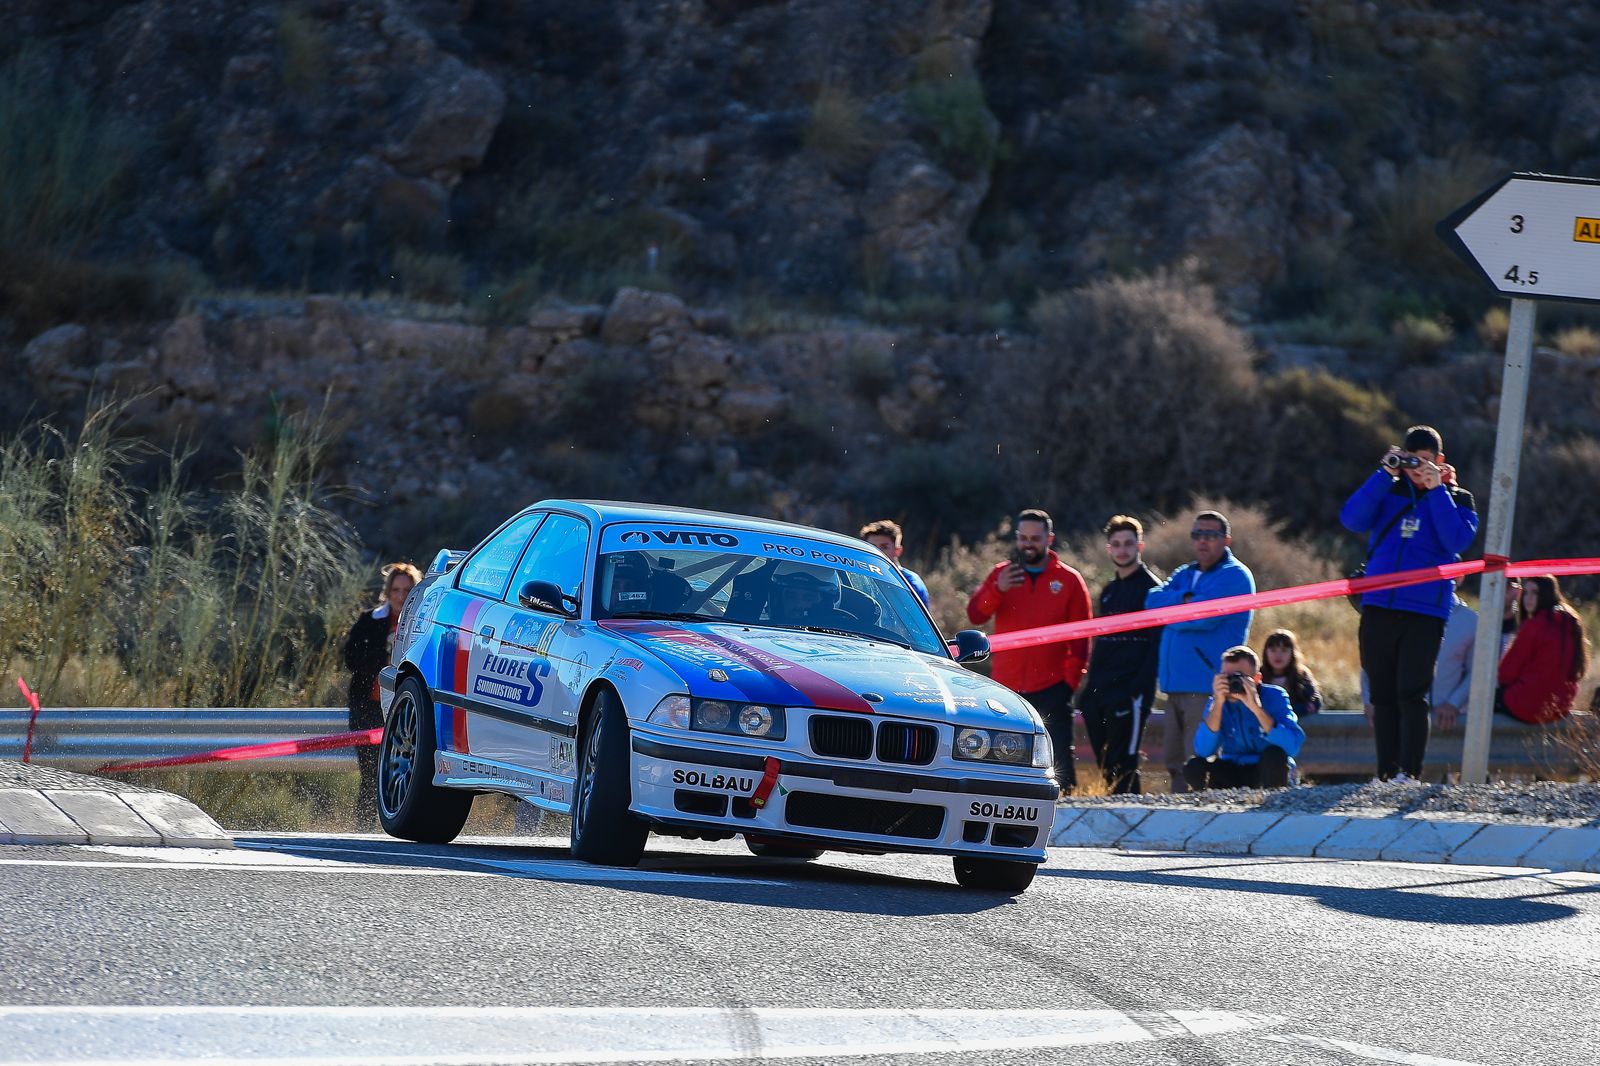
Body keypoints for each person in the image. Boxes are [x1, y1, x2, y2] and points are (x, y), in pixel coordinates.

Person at [1341, 425, 1478, 782]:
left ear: (1441, 461)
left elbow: (1456, 539)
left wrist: (1437, 492)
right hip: (1378, 606)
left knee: (1412, 693)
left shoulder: (1458, 499)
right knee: (1382, 694)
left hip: (1424, 611)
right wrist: (1383, 472)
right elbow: (1352, 518)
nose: (1420, 469)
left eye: (1427, 462)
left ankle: (1409, 773)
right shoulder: (1390, 491)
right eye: (1414, 461)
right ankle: (1386, 772)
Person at [967, 508, 1092, 791]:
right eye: (1023, 538)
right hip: (1006, 687)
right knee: (999, 757)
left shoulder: (1070, 580)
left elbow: (1082, 637)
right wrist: (997, 589)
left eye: (1035, 538)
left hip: (1052, 687)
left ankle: (1066, 809)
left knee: (1059, 762)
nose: (1028, 544)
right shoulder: (1001, 573)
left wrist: (1068, 683)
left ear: (1049, 539)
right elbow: (976, 615)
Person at [1145, 510, 1256, 793]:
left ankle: (1204, 814)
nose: (1202, 541)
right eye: (1197, 535)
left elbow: (1203, 617)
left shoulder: (1235, 576)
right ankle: (1178, 818)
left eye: (1210, 535)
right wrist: (1184, 602)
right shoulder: (1185, 573)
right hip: (1175, 686)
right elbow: (1151, 603)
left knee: (1200, 763)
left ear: (1226, 540)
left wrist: (1177, 611)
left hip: (1208, 687)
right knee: (1174, 761)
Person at [1076, 515, 1161, 794]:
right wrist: (1089, 689)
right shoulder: (1109, 592)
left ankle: (1133, 818)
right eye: (1116, 544)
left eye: (1128, 543)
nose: (1122, 549)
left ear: (1140, 546)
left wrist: (1137, 690)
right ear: (1109, 548)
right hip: (1101, 688)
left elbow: (1154, 647)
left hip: (1131, 689)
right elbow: (1103, 641)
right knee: (1106, 761)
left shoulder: (1153, 589)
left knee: (1125, 759)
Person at [343, 561, 421, 826]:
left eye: (407, 590)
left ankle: (400, 825)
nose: (401, 596)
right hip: (369, 707)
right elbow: (351, 659)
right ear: (387, 592)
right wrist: (383, 659)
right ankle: (364, 828)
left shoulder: (424, 624)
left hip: (409, 713)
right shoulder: (369, 621)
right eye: (396, 590)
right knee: (370, 773)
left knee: (403, 775)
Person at [1185, 645, 1305, 790]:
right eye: (1227, 678)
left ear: (1257, 678)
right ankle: (1208, 805)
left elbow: (1292, 747)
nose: (1232, 684)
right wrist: (1218, 705)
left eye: (1238, 677)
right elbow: (1203, 750)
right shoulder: (1216, 702)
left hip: (1265, 768)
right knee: (1194, 766)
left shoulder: (1275, 696)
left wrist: (1256, 707)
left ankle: (1272, 804)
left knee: (1274, 755)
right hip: (1233, 768)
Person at [1497, 575, 1591, 724]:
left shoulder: (1535, 625)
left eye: (1535, 592)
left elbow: (1505, 674)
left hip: (1527, 705)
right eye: (1525, 592)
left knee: (1485, 699)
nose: (1528, 598)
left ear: (1547, 593)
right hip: (1560, 707)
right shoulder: (1571, 621)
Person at [860, 519, 930, 606]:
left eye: (884, 547)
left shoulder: (910, 582)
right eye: (872, 547)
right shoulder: (860, 578)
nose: (877, 552)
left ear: (898, 550)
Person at [1260, 629, 1322, 719]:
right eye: (1273, 650)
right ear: (1265, 652)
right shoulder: (1258, 675)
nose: (1278, 655)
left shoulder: (1301, 675)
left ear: (1292, 653)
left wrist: (1294, 710)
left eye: (1284, 650)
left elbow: (1315, 701)